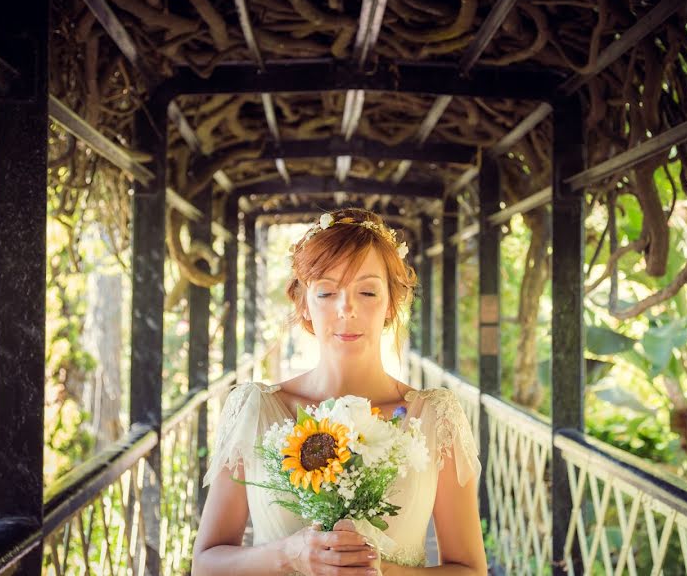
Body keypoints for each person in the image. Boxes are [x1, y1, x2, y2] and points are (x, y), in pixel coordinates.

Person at [193, 208, 487, 576]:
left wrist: (387, 572)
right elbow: (205, 565)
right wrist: (290, 554)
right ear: (304, 304)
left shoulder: (436, 417)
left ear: (391, 304)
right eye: (327, 292)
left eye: (366, 291)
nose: (347, 308)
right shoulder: (255, 409)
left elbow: (471, 570)